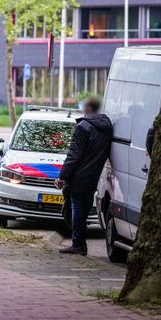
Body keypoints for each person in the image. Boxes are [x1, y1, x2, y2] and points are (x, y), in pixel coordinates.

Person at [56, 97, 113, 255]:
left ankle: (78, 244)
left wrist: (63, 176)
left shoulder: (83, 127)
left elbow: (74, 154)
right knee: (83, 209)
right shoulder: (107, 126)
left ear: (88, 107)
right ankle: (80, 243)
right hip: (94, 175)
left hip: (79, 176)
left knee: (77, 210)